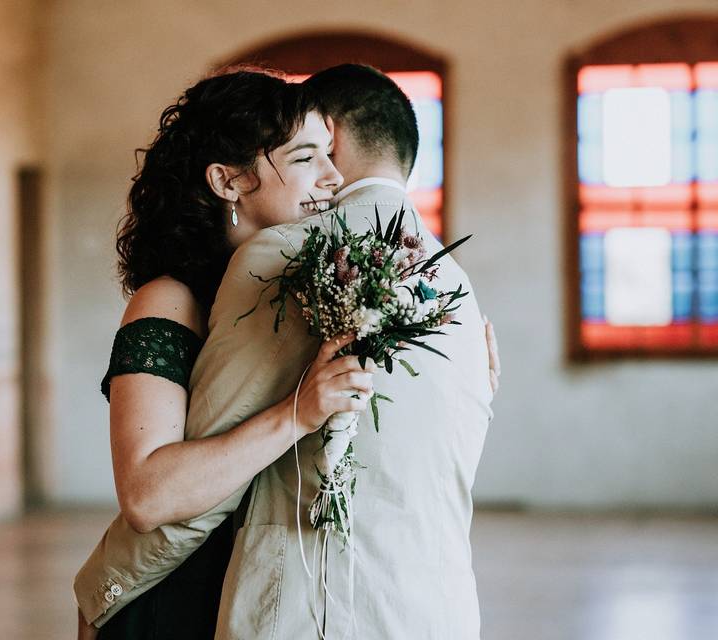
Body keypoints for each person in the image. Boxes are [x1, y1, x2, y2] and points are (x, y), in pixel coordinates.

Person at [75, 63, 499, 639]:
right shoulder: (170, 300)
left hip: (254, 581)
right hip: (185, 589)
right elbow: (148, 494)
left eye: (330, 155)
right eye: (305, 158)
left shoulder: (307, 279)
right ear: (228, 182)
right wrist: (103, 588)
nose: (331, 178)